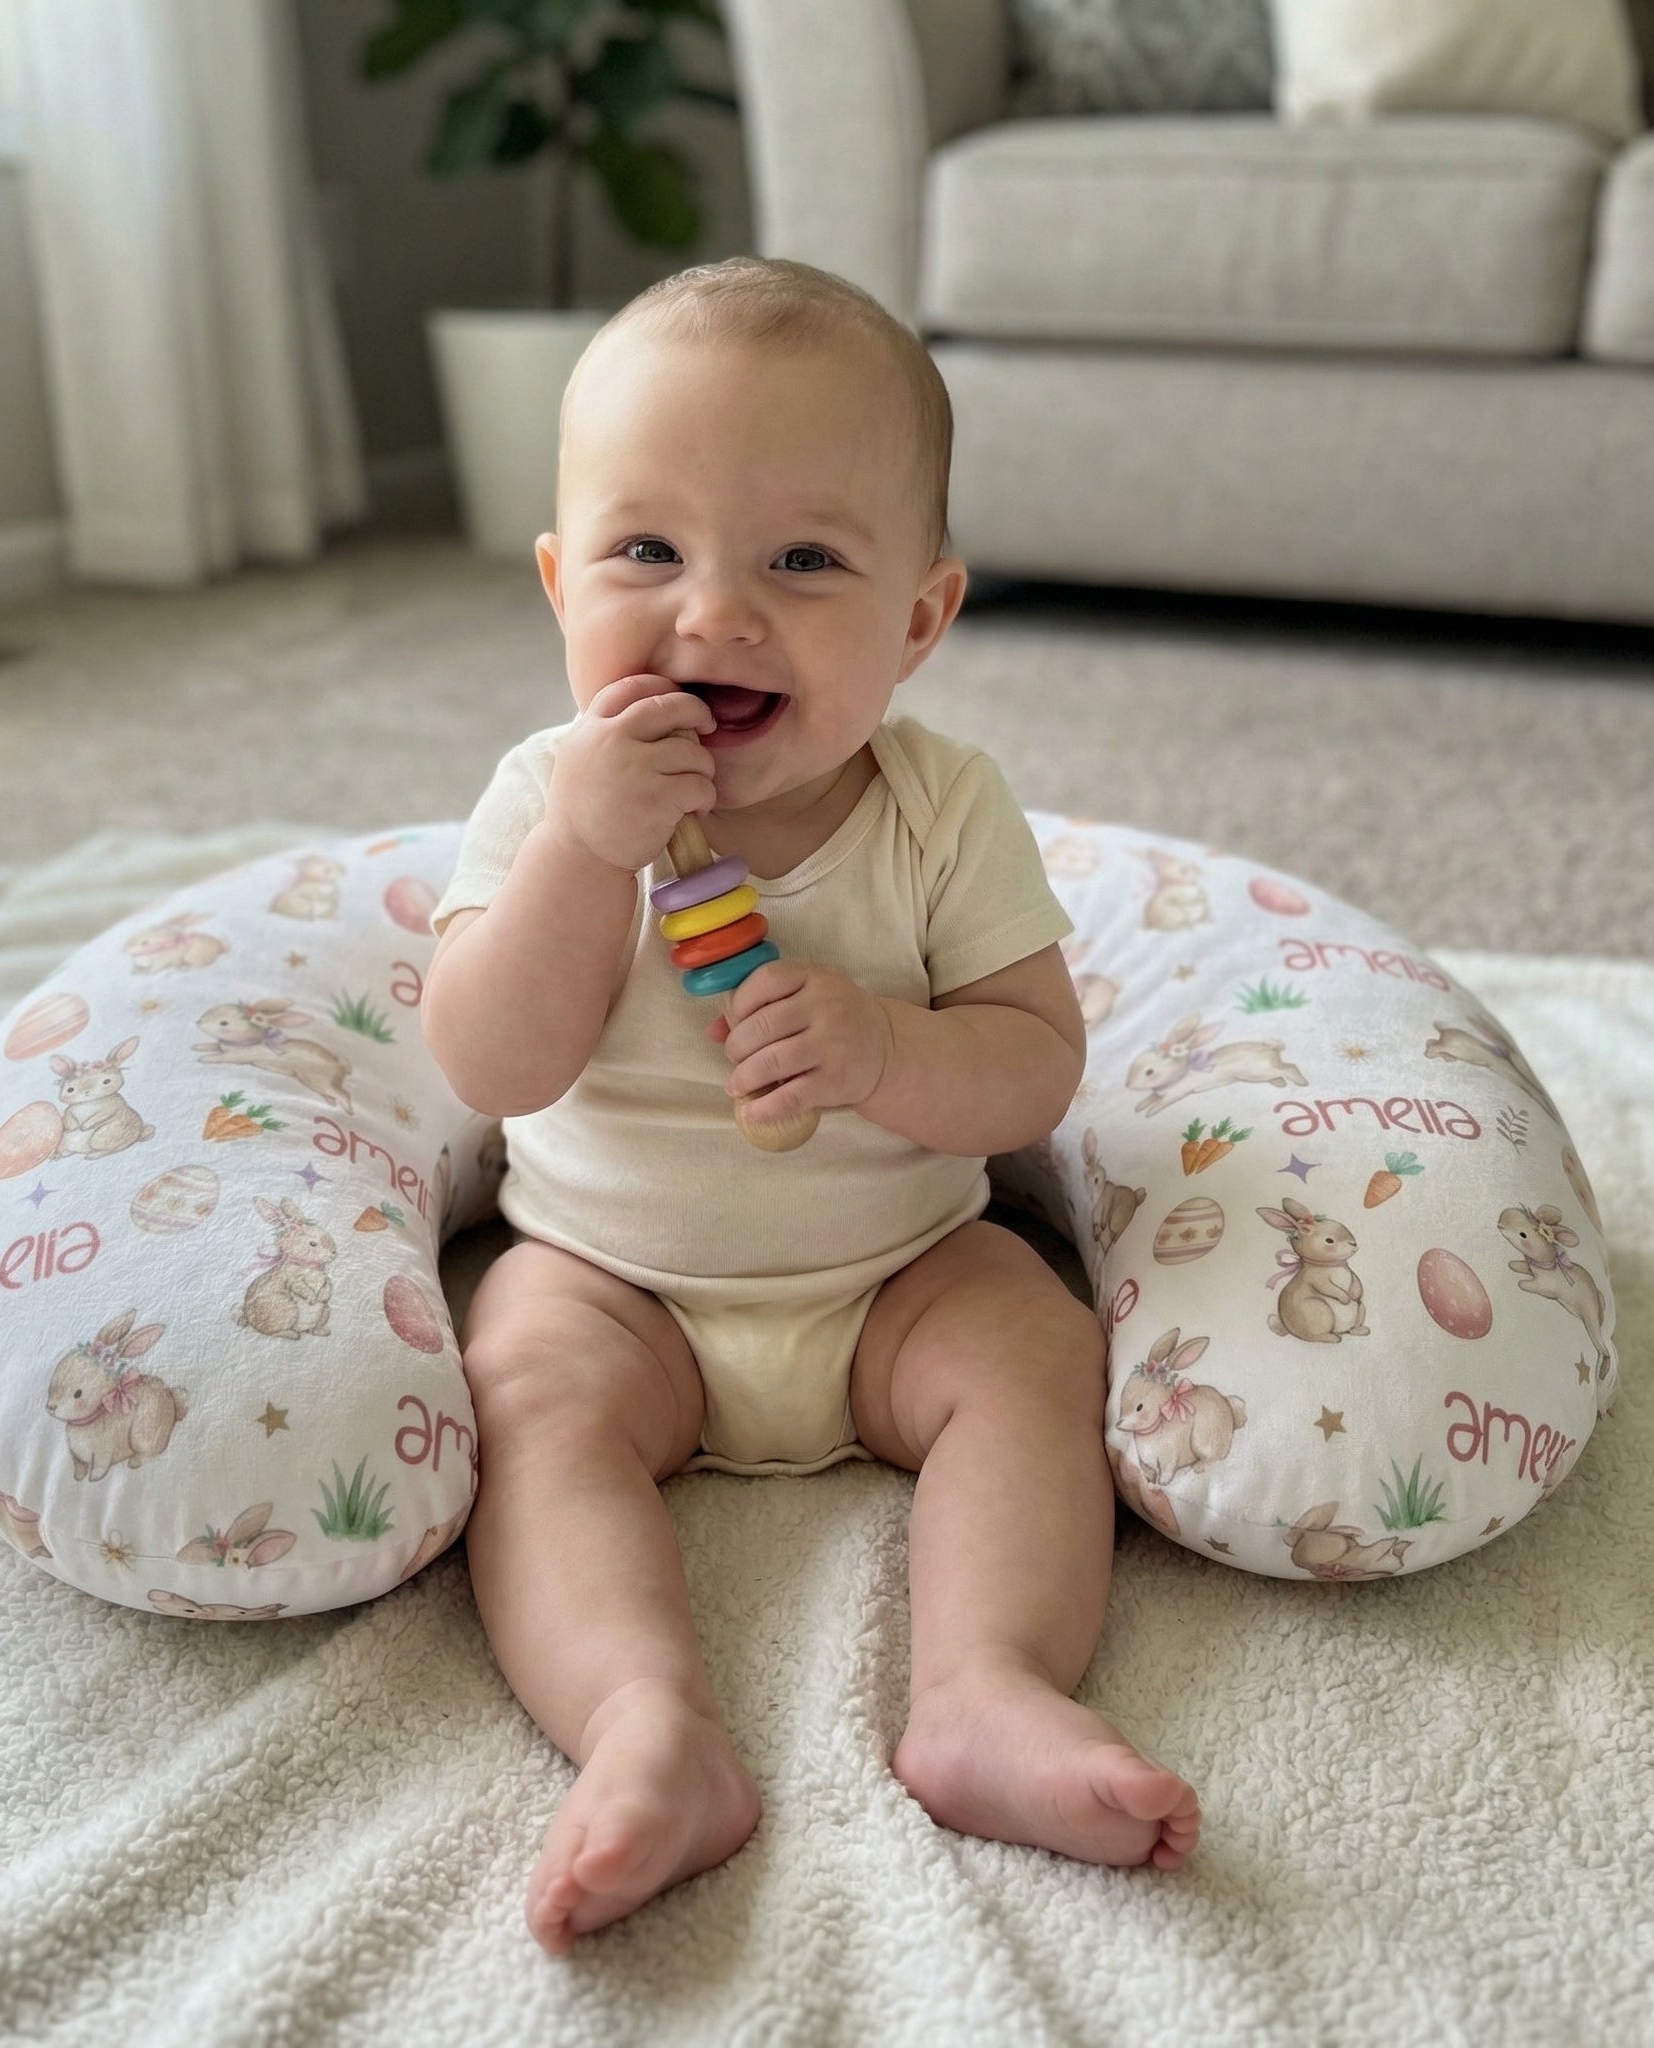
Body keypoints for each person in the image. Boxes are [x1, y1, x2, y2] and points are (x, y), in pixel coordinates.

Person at [422, 256, 1199, 1955]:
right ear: (560, 585)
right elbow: (489, 1066)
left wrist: (878, 1052)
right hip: (616, 1285)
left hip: (893, 1274)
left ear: (919, 618)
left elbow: (1033, 1064)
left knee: (1032, 1346)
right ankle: (647, 1726)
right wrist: (583, 857)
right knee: (525, 1393)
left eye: (801, 560)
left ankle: (982, 1690)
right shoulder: (544, 800)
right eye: (646, 552)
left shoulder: (940, 809)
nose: (711, 615)